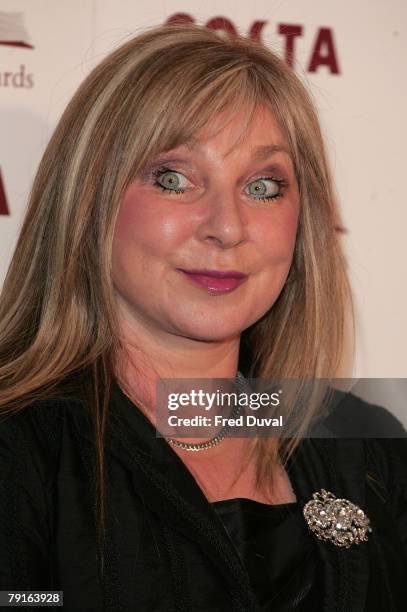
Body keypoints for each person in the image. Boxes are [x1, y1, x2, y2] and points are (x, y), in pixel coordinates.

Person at [0, 23, 406, 612]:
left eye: (264, 186)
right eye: (174, 179)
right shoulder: (20, 453)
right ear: (89, 199)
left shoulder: (367, 444)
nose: (228, 226)